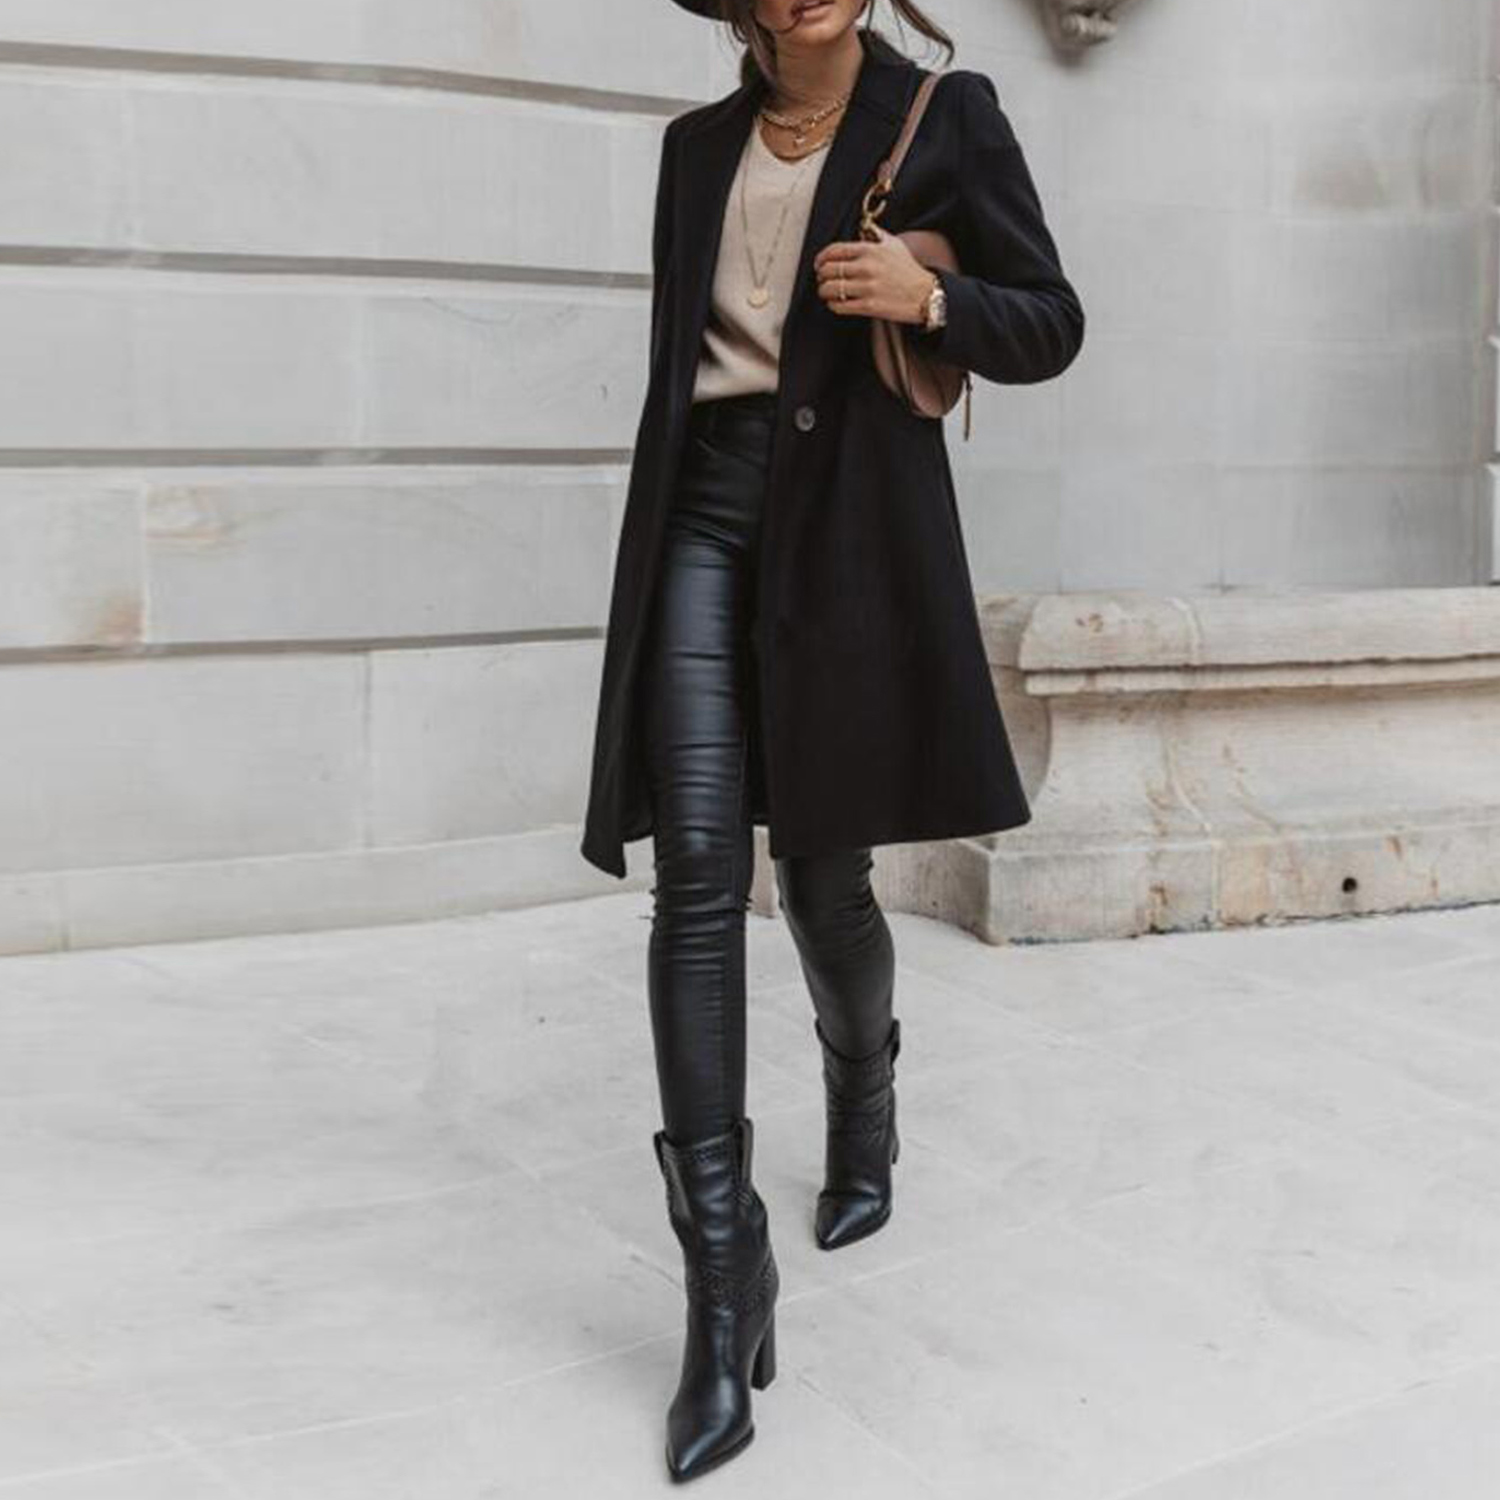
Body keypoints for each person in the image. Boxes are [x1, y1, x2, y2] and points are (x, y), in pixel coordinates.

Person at [579, 0, 1084, 1480]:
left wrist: (932, 303)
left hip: (851, 540)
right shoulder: (695, 150)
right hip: (699, 523)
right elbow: (685, 365)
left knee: (821, 882)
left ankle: (864, 1098)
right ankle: (721, 1279)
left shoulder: (948, 117)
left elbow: (1050, 320)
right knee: (695, 880)